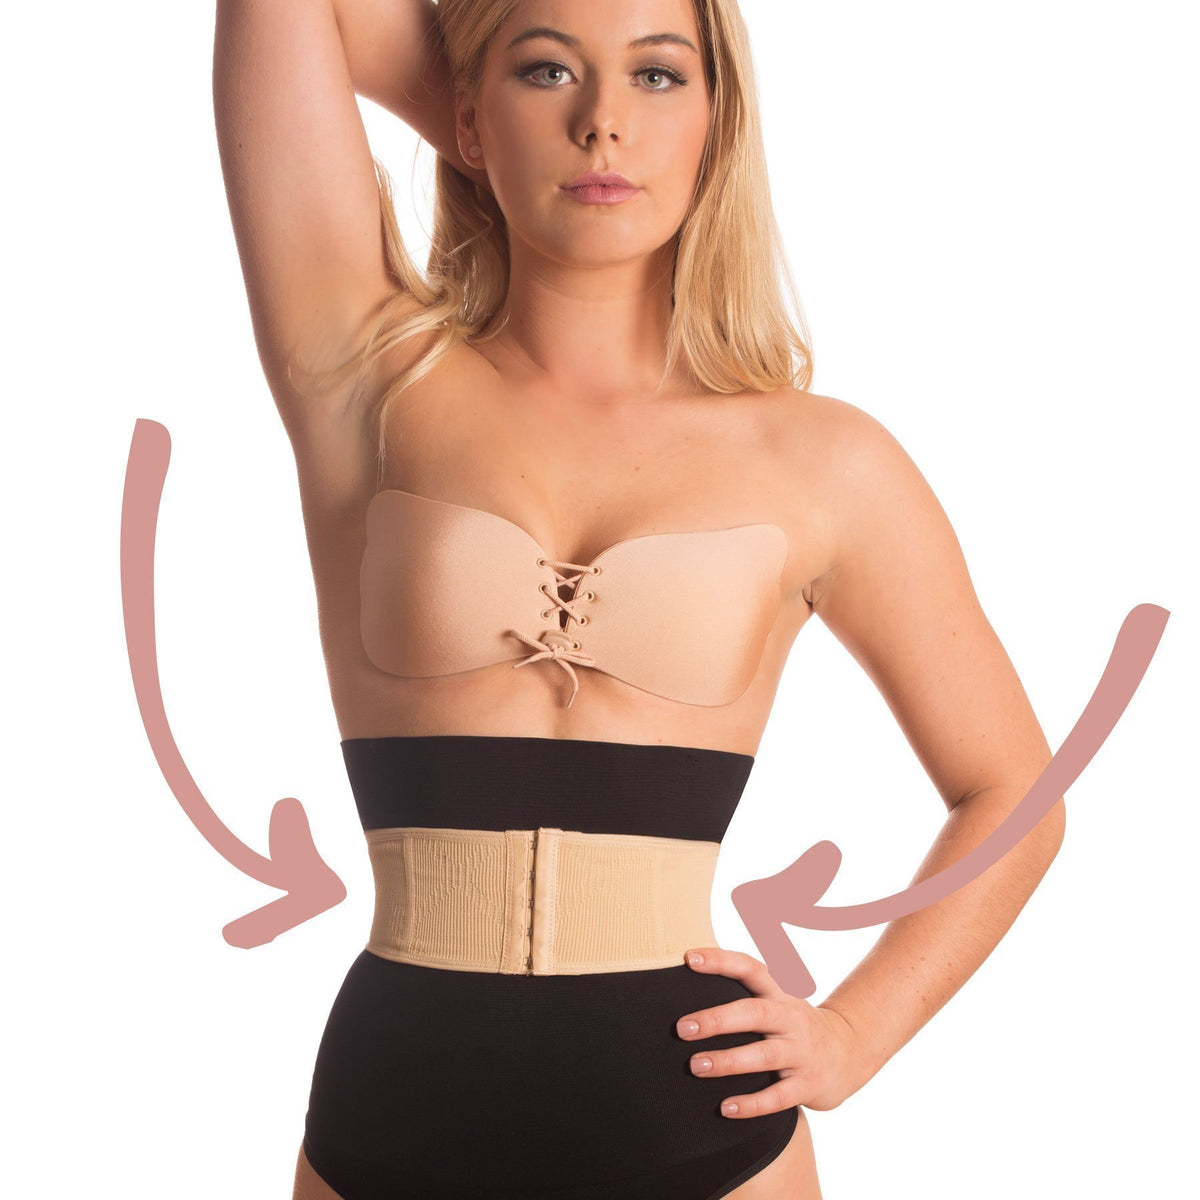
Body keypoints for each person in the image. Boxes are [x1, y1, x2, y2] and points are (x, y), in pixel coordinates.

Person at [212, 0, 1066, 1196]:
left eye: (658, 78)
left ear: (720, 119)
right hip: (390, 1117)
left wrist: (855, 1033)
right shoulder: (366, 376)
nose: (604, 123)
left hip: (705, 1132)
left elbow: (1016, 792)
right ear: (466, 111)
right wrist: (489, 119)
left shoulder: (826, 463)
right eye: (549, 71)